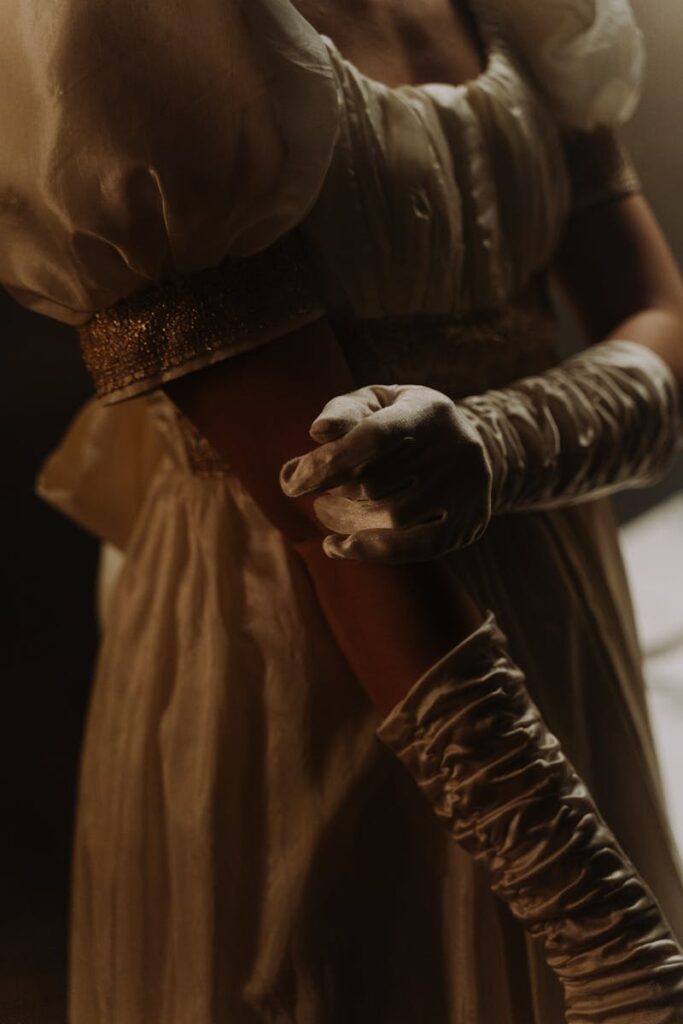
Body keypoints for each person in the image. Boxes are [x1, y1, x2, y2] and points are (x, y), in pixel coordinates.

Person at [2, 0, 682, 1020]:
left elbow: (662, 318)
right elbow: (345, 523)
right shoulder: (143, 31)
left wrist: (498, 443)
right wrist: (599, 932)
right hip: (321, 663)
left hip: (560, 621)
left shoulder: (526, 11)